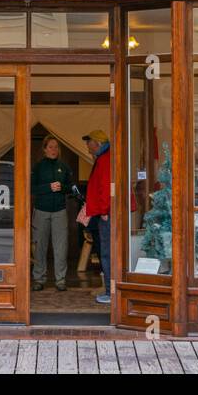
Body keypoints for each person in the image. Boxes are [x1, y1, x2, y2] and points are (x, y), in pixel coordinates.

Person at [31, 135, 74, 291]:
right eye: (50, 147)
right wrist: (48, 187)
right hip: (41, 211)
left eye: (56, 147)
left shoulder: (64, 166)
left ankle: (60, 280)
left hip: (59, 212)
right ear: (44, 149)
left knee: (61, 246)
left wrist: (62, 187)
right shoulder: (38, 167)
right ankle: (39, 279)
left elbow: (72, 187)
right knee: (39, 246)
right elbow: (31, 188)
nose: (54, 150)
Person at [82, 129, 112, 305]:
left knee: (107, 253)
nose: (87, 148)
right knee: (106, 251)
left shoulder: (105, 160)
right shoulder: (103, 158)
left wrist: (104, 211)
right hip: (103, 212)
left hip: (105, 214)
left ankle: (110, 291)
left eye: (89, 143)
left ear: (98, 144)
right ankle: (110, 288)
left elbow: (107, 188)